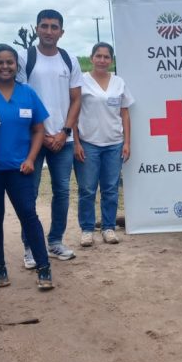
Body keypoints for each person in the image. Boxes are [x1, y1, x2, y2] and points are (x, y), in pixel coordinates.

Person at [0, 44, 55, 290]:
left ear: (16, 65)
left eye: (9, 62)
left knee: (29, 216)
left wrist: (31, 158)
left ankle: (44, 267)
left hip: (21, 169)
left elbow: (38, 129)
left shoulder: (28, 93)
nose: (5, 66)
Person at [16, 10, 82, 265]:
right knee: (29, 194)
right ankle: (30, 247)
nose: (49, 31)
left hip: (63, 140)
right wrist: (42, 135)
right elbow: (22, 97)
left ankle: (55, 241)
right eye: (44, 26)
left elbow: (76, 99)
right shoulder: (25, 58)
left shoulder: (69, 59)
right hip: (34, 139)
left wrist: (65, 131)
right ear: (36, 29)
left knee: (63, 192)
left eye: (54, 27)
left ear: (61, 32)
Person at [74, 42, 134, 246]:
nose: (102, 60)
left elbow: (125, 113)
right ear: (91, 58)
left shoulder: (119, 82)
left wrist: (127, 142)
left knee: (110, 188)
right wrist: (76, 143)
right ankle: (87, 229)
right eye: (98, 56)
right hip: (88, 142)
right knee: (87, 189)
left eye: (106, 57)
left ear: (111, 60)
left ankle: (108, 227)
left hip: (114, 143)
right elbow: (72, 113)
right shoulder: (81, 82)